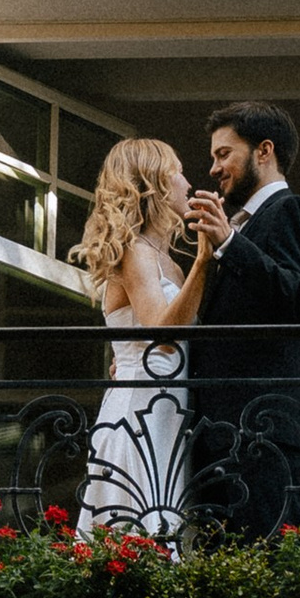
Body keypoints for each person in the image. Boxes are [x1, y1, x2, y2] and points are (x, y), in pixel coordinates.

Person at [184, 99, 300, 538]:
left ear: (264, 151)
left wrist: (231, 243)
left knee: (266, 571)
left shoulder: (293, 211)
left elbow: (298, 298)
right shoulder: (238, 229)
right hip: (221, 439)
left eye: (223, 153)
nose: (213, 168)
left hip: (266, 434)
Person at [68, 133, 210, 535]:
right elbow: (160, 336)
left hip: (168, 414)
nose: (188, 183)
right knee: (135, 539)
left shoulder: (168, 262)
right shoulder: (135, 251)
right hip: (137, 417)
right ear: (155, 184)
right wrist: (203, 260)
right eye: (177, 173)